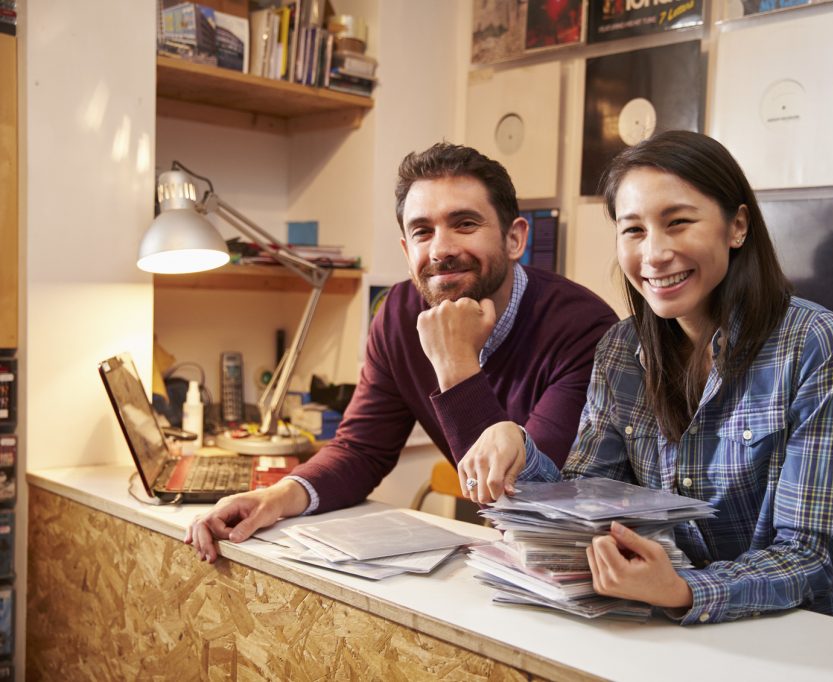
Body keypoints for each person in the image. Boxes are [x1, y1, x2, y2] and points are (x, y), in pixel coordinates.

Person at [458, 130, 833, 626]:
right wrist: (519, 446)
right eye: (633, 230)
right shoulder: (620, 349)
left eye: (678, 223)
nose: (654, 254)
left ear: (737, 226)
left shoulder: (813, 342)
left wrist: (683, 590)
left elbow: (808, 552)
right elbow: (587, 502)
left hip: (807, 633)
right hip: (672, 629)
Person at [185, 142, 618, 561]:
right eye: (422, 231)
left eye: (465, 224)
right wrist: (275, 497)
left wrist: (456, 367)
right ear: (406, 249)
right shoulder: (397, 314)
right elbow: (362, 451)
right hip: (504, 564)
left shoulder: (584, 329)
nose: (441, 249)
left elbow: (529, 508)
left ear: (514, 239)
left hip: (582, 561)